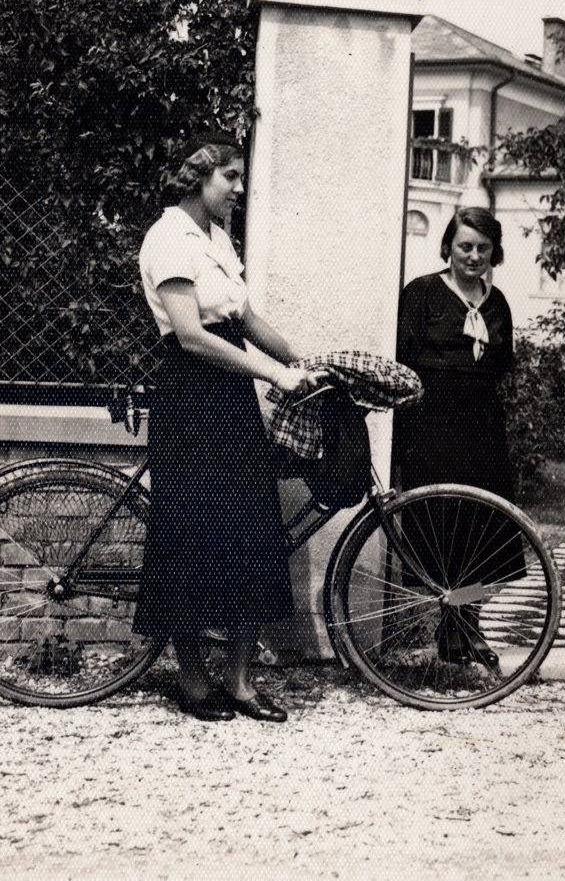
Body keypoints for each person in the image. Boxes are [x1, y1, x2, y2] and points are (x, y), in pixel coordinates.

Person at [135, 132, 319, 723]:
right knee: (187, 537)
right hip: (190, 393)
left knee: (252, 530)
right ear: (199, 179)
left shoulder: (216, 238)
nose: (239, 190)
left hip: (232, 397)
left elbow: (243, 316)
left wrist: (302, 362)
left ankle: (239, 681)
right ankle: (190, 678)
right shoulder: (167, 239)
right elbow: (191, 334)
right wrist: (272, 373)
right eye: (231, 178)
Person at [393, 207, 520, 669]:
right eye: (465, 246)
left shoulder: (497, 301)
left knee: (482, 530)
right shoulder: (423, 293)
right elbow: (402, 359)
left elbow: (504, 362)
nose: (473, 255)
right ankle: (448, 627)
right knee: (442, 527)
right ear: (448, 246)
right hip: (432, 429)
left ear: (494, 253)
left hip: (482, 428)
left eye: (483, 248)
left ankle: (469, 623)